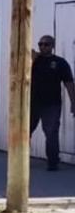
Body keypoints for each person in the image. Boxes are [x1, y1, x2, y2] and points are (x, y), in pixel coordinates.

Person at [30, 35, 75, 171]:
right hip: (32, 103)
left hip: (52, 105)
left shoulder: (60, 63)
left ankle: (52, 162)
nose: (43, 47)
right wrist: (32, 59)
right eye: (41, 44)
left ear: (52, 46)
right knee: (25, 131)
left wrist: (73, 102)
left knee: (51, 132)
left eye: (46, 44)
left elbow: (69, 83)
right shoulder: (34, 61)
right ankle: (21, 160)